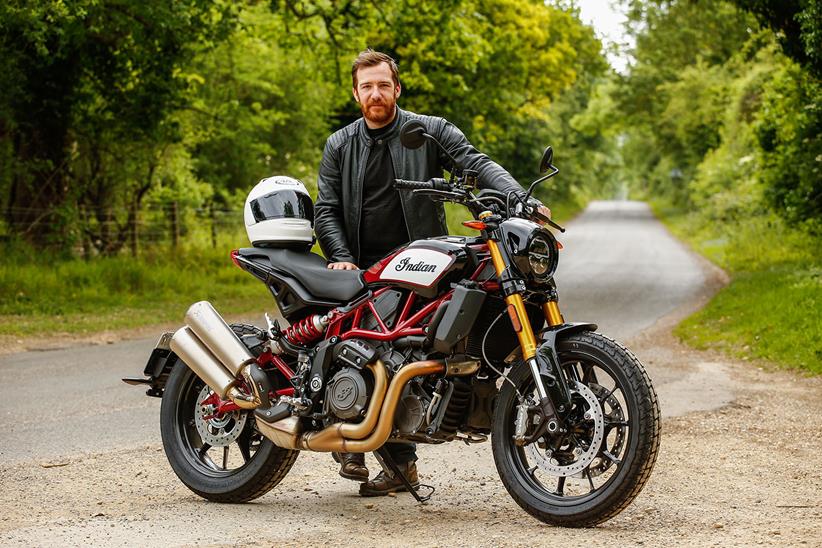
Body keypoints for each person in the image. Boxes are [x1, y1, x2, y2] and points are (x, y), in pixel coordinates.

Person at [314, 49, 550, 496]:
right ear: (355, 93)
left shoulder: (427, 131)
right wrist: (341, 256)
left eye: (384, 85)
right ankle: (352, 441)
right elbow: (326, 209)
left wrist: (519, 199)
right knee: (357, 353)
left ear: (397, 88)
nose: (376, 94)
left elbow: (474, 162)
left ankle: (401, 459)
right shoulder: (340, 144)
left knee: (414, 358)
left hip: (420, 262)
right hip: (362, 265)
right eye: (367, 86)